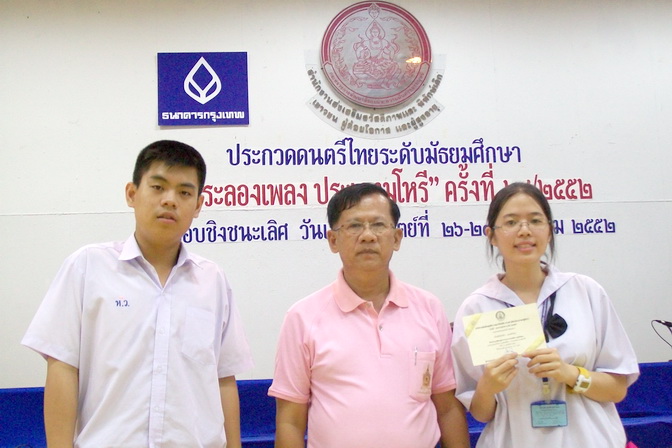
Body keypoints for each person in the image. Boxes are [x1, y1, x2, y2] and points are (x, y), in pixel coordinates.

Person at [22, 140, 253, 448]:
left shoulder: (213, 281)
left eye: (184, 193)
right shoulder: (88, 267)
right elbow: (63, 367)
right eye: (158, 187)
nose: (170, 200)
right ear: (132, 194)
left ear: (198, 205)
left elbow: (223, 379)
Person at [268, 183, 470, 448]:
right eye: (354, 226)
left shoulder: (429, 308)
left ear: (396, 238)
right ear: (333, 240)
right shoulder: (302, 317)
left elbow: (448, 408)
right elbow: (290, 421)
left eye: (378, 225)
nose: (367, 236)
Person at [450, 182, 639, 447]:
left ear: (550, 231)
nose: (524, 230)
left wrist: (570, 373)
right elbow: (481, 414)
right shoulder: (477, 308)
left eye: (535, 220)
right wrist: (488, 387)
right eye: (511, 222)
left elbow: (617, 389)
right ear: (491, 235)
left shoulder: (585, 291)